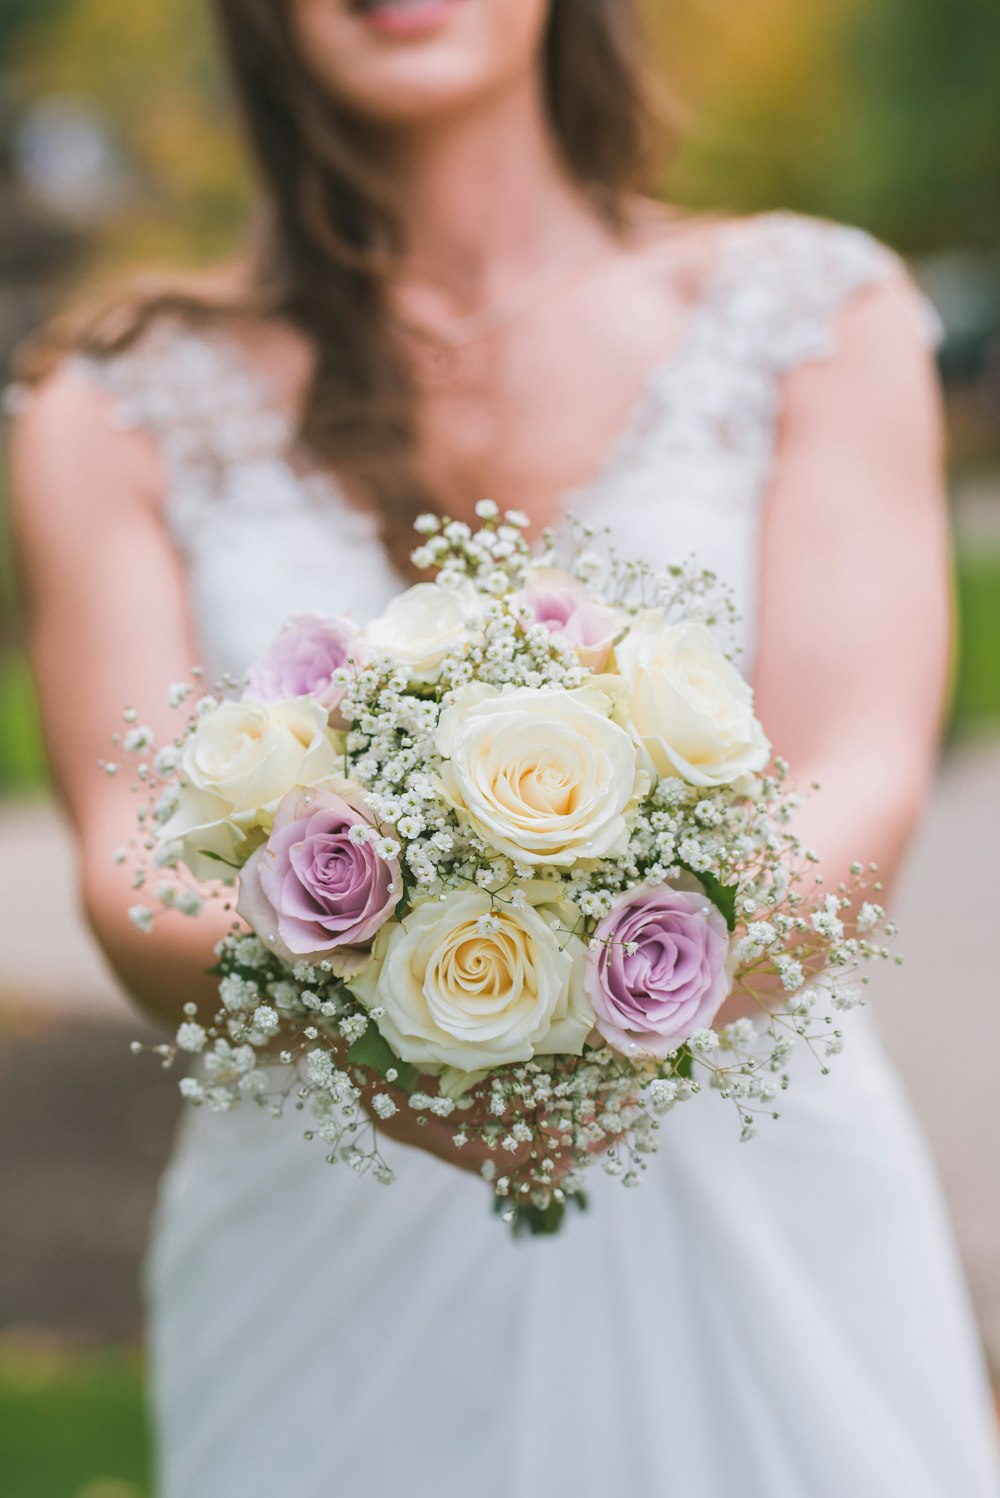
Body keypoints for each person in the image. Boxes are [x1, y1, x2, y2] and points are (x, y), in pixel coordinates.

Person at [9, 2, 1000, 1494]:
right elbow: (130, 869)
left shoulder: (812, 312)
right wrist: (405, 1032)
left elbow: (857, 774)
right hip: (327, 1239)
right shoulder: (112, 406)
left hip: (764, 1200)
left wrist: (594, 1016)